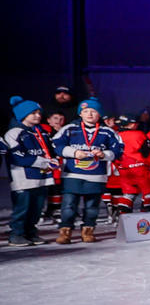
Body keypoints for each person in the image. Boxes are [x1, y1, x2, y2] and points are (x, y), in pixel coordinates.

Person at [50, 97, 122, 244]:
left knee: (92, 206)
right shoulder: (70, 129)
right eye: (85, 111)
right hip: (72, 174)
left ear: (99, 114)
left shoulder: (107, 132)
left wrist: (104, 154)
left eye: (93, 111)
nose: (89, 114)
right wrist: (74, 152)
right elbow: (56, 145)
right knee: (68, 205)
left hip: (96, 175)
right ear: (80, 114)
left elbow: (119, 149)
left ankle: (88, 230)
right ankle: (65, 231)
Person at [6, 97, 56, 246]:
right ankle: (16, 234)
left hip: (41, 177)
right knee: (22, 209)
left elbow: (51, 150)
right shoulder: (14, 133)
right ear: (22, 114)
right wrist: (43, 162)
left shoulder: (41, 132)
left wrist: (54, 160)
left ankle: (30, 232)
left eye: (39, 113)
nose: (38, 116)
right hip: (23, 179)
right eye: (33, 113)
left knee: (36, 208)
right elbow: (17, 157)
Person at [112, 114, 150, 216]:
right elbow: (146, 151)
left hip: (123, 168)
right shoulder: (139, 134)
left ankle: (122, 215)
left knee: (129, 194)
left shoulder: (116, 136)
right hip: (139, 167)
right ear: (131, 124)